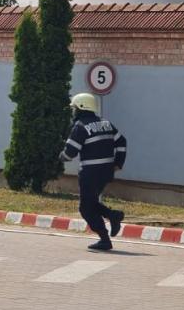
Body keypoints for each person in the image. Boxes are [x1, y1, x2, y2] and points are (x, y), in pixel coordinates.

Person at [59, 93, 127, 252]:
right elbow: (122, 141)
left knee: (85, 208)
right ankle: (112, 216)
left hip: (90, 173)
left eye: (75, 108)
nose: (74, 112)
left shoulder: (80, 126)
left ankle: (105, 239)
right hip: (106, 173)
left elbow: (70, 153)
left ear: (82, 107)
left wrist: (59, 157)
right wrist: (118, 163)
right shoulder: (106, 123)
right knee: (91, 203)